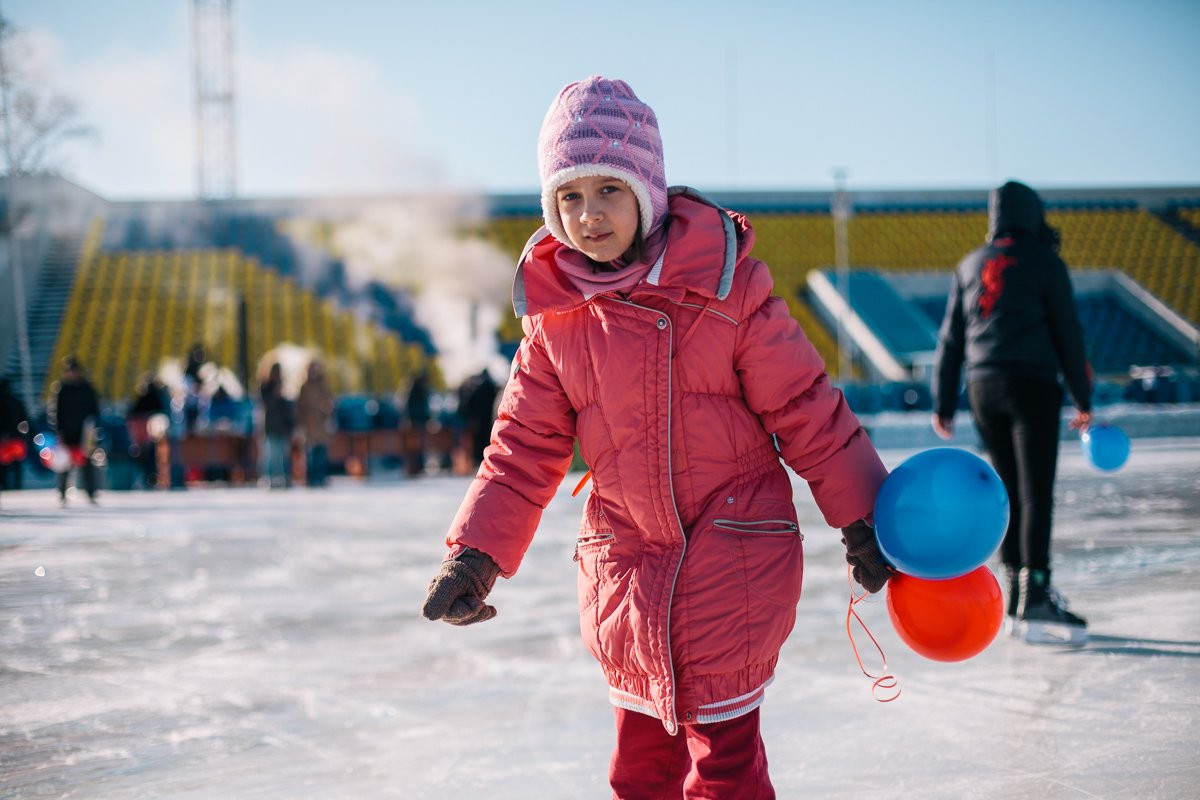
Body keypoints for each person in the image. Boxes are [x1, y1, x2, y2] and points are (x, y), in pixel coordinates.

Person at [420, 76, 891, 799]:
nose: (588, 215)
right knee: (638, 772)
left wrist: (863, 514)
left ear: (648, 190)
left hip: (732, 560)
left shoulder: (729, 289)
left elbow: (806, 409)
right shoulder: (555, 321)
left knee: (726, 771)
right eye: (568, 198)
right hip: (629, 574)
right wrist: (476, 556)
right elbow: (521, 449)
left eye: (608, 190)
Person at [931, 179, 1092, 645]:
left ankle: (1015, 599)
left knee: (1007, 493)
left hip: (983, 388)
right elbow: (1069, 335)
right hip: (1033, 385)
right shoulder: (1046, 262)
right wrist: (1083, 398)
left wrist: (944, 401)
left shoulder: (968, 265)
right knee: (1035, 492)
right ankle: (1034, 594)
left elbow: (950, 339)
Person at [49, 357, 101, 506]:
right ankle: (62, 494)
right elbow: (56, 412)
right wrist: (58, 431)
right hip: (67, 433)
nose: (72, 373)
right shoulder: (62, 389)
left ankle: (91, 493)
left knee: (86, 464)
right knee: (64, 465)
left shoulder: (87, 389)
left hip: (84, 434)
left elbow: (95, 411)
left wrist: (92, 430)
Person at [296, 359, 335, 487]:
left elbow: (330, 403)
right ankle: (311, 479)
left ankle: (322, 477)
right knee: (310, 454)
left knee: (321, 453)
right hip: (309, 426)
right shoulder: (304, 386)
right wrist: (301, 424)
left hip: (321, 425)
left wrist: (328, 410)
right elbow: (300, 407)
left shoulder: (324, 386)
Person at [259, 362, 294, 488]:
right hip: (271, 426)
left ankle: (284, 477)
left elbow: (288, 409)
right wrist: (275, 395)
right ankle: (270, 477)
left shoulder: (284, 386)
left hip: (283, 427)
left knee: (284, 454)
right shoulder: (265, 386)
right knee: (272, 455)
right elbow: (267, 404)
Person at [459, 368, 499, 468]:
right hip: (489, 420)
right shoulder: (492, 387)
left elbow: (469, 404)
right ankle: (486, 461)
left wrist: (470, 417)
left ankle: (479, 462)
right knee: (487, 440)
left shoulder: (477, 388)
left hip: (478, 420)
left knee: (478, 442)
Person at [0, 377, 30, 500]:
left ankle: (6, 486)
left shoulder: (6, 401)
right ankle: (16, 485)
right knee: (16, 464)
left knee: (4, 465)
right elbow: (24, 421)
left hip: (6, 439)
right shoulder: (16, 401)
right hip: (16, 438)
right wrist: (25, 435)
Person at [403, 370, 432, 476]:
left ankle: (418, 466)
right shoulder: (417, 391)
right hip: (416, 423)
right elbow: (414, 408)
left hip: (418, 422)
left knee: (419, 446)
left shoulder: (416, 390)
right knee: (415, 447)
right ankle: (415, 467)